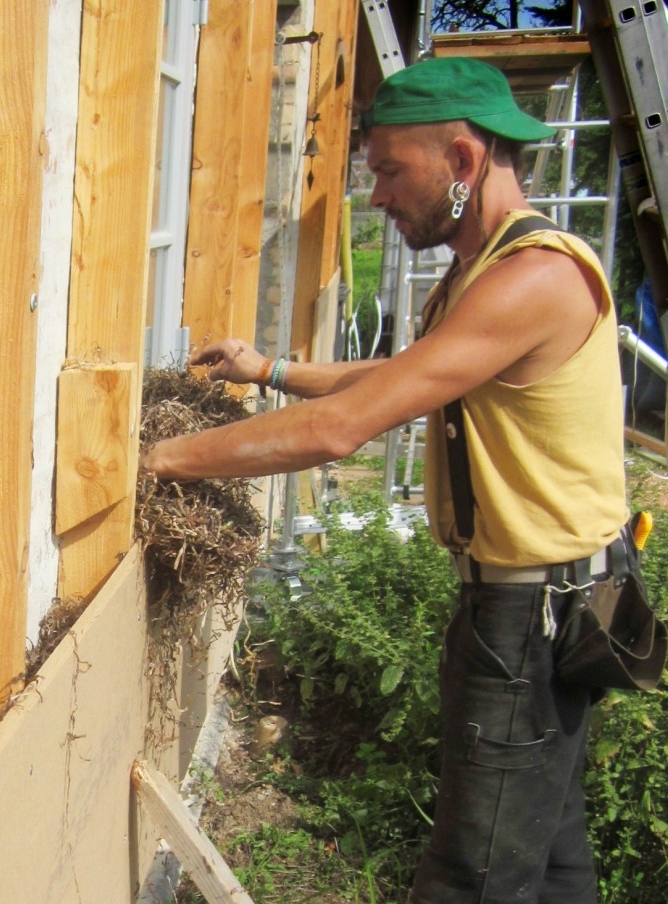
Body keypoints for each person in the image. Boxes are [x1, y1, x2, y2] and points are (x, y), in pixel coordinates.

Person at [143, 56, 629, 903]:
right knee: (548, 863)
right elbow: (409, 374)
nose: (375, 196)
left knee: (472, 878)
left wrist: (151, 463)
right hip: (536, 605)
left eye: (390, 171)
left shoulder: (536, 277)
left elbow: (341, 431)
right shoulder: (488, 270)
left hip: (531, 622)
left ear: (464, 161)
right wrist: (270, 370)